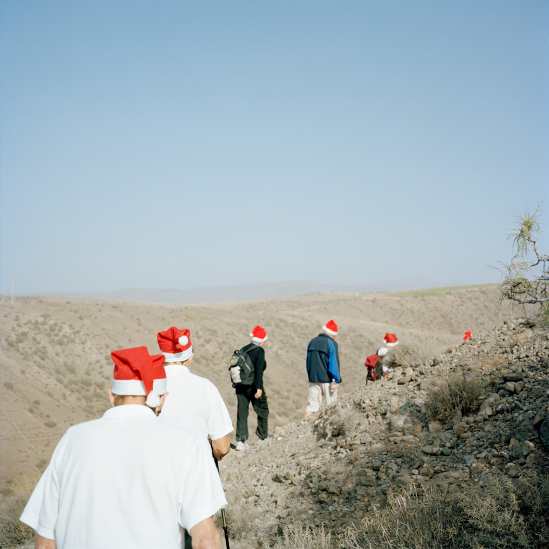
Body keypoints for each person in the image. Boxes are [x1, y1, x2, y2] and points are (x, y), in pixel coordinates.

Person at [20, 346, 226, 549]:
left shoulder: (71, 439)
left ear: (111, 397)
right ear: (162, 399)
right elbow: (205, 541)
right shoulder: (189, 444)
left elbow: (46, 542)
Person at [156, 327, 233, 549]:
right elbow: (222, 447)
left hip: (154, 477)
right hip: (194, 481)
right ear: (190, 356)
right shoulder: (205, 387)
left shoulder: (149, 387)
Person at [234, 325, 269, 450]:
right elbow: (259, 371)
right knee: (262, 410)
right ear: (261, 340)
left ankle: (240, 441)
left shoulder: (243, 349)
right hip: (253, 386)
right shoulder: (259, 351)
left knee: (242, 412)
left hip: (240, 386)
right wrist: (259, 388)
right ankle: (262, 437)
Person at [304, 320, 341, 418]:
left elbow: (308, 361)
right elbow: (334, 364)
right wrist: (336, 380)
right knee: (331, 407)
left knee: (311, 407)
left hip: (313, 379)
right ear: (333, 334)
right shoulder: (331, 343)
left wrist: (311, 376)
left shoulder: (312, 341)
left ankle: (300, 429)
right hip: (327, 380)